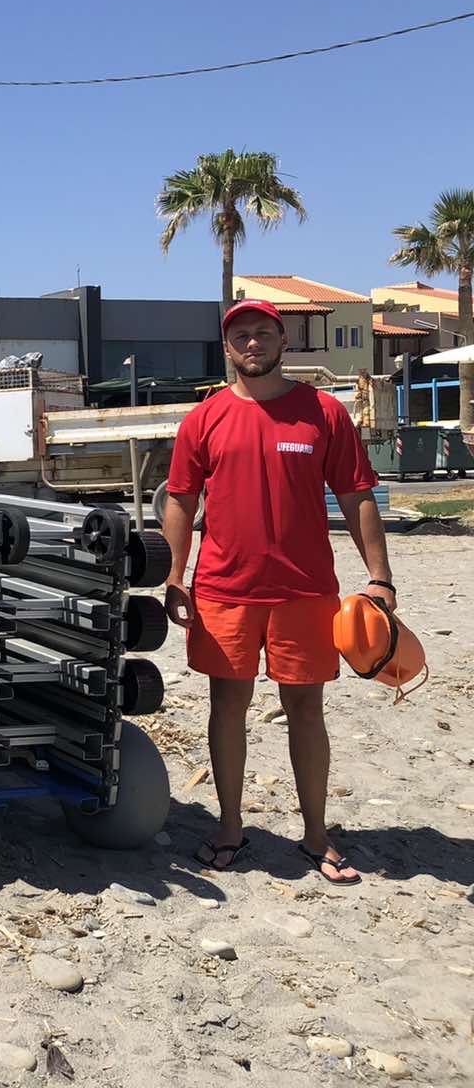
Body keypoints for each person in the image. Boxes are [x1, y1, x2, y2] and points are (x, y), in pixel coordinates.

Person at [161, 298, 394, 885]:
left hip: (305, 591)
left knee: (306, 710)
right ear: (227, 347)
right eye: (241, 334)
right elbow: (180, 500)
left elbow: (357, 494)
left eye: (263, 333)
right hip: (225, 591)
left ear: (283, 341)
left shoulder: (323, 413)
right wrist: (173, 575)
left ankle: (316, 834)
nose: (253, 343)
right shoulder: (204, 419)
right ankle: (229, 827)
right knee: (227, 707)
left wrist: (380, 577)